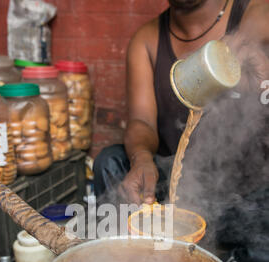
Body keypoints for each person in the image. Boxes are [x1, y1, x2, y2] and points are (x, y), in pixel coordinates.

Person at [93, 0, 269, 206]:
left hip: (248, 191)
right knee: (110, 162)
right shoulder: (147, 41)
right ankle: (136, 234)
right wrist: (141, 160)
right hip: (184, 184)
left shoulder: (255, 13)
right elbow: (142, 121)